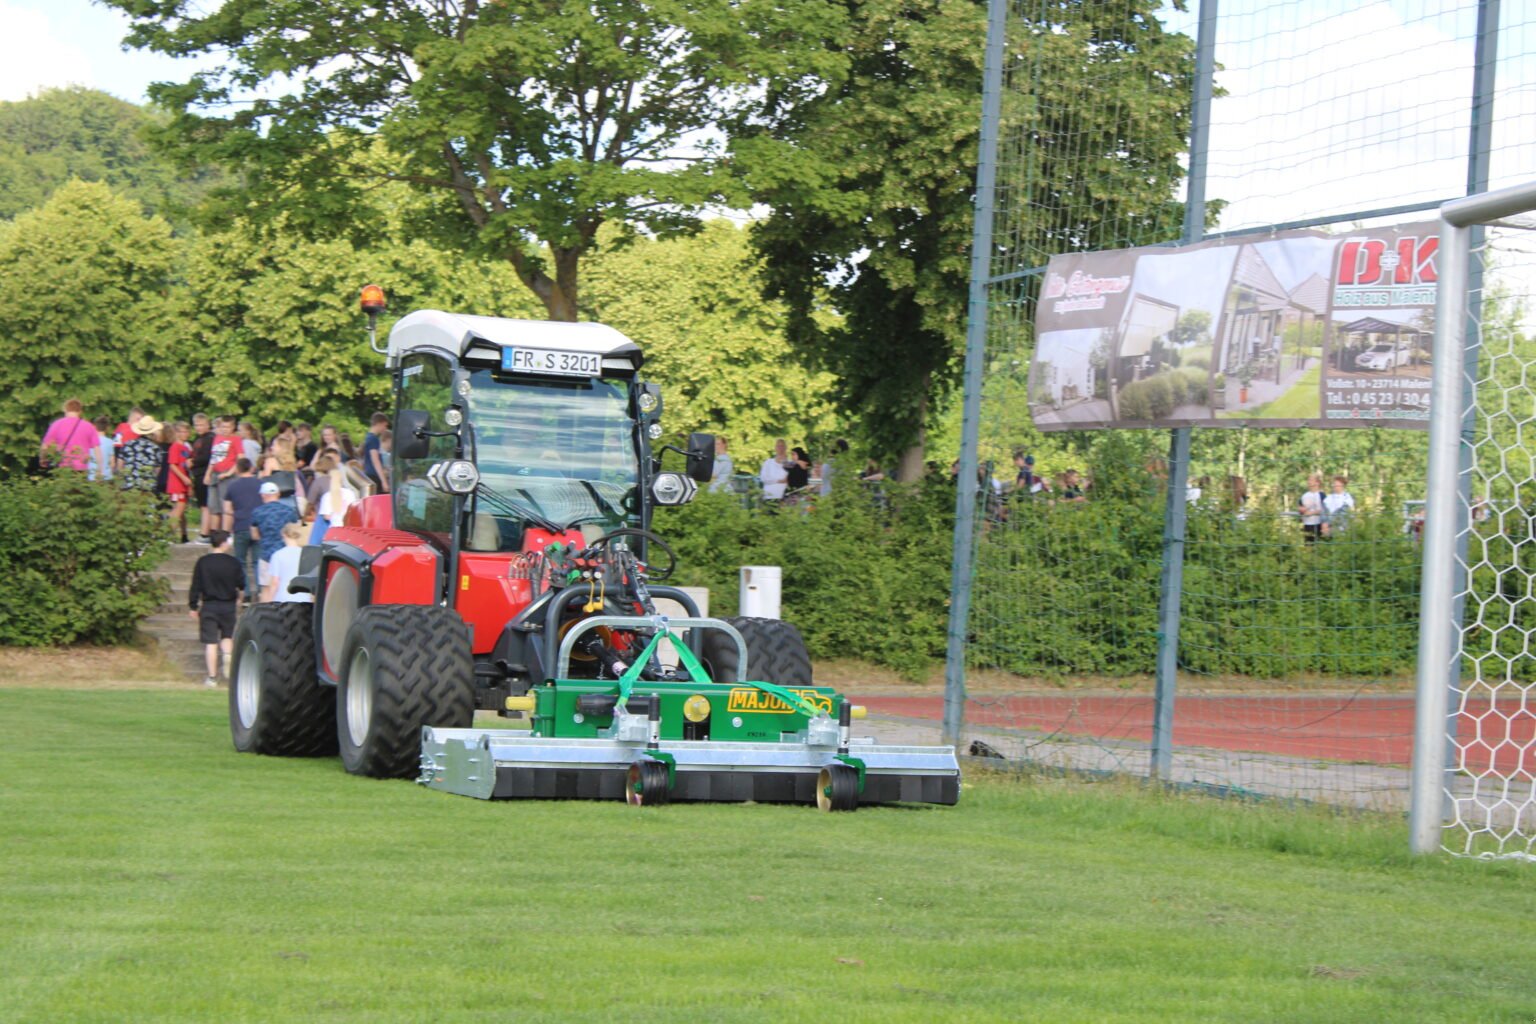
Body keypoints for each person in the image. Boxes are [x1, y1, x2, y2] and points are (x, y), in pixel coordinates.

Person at [188, 529, 244, 687]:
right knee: (227, 637)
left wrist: (193, 606)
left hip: (209, 605)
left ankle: (212, 677)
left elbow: (196, 585)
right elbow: (241, 584)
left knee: (211, 642)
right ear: (224, 543)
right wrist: (239, 599)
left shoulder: (203, 562)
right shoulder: (233, 562)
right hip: (228, 605)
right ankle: (227, 656)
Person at [250, 481, 299, 599]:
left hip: (266, 554)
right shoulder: (290, 511)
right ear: (278, 494)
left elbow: (254, 536)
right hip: (287, 554)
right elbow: (296, 531)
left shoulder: (257, 512)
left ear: (263, 495)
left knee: (266, 589)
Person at [223, 459, 265, 586]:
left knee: (241, 562)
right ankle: (260, 590)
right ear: (251, 468)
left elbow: (227, 509)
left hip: (240, 525)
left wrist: (236, 515)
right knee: (258, 562)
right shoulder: (261, 484)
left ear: (237, 469)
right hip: (258, 527)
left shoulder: (232, 486)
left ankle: (245, 591)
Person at [37, 398, 104, 475]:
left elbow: (45, 446)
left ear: (65, 409)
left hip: (63, 466)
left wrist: (42, 459)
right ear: (80, 411)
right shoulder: (89, 426)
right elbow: (97, 450)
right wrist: (99, 470)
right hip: (82, 468)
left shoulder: (56, 424)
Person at [204, 416, 241, 533]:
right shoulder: (217, 438)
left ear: (233, 427)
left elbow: (240, 458)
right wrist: (208, 473)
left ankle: (226, 533)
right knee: (213, 506)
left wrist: (229, 473)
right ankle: (214, 533)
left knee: (226, 505)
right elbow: (214, 458)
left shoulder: (236, 439)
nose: (225, 429)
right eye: (223, 427)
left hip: (227, 474)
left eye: (227, 427)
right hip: (215, 473)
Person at [262, 521, 313, 604]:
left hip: (283, 597)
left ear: (284, 535)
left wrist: (270, 599)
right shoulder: (306, 554)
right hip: (303, 598)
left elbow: (275, 582)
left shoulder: (277, 555)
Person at [312, 465, 359, 544]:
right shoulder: (350, 493)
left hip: (334, 532)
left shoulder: (327, 496)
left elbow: (327, 517)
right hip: (349, 531)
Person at [118, 415, 165, 493]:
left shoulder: (128, 444)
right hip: (146, 488)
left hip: (128, 486)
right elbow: (157, 471)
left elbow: (119, 465)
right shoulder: (156, 449)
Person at [165, 421, 194, 542]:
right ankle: (169, 534)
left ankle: (184, 535)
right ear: (176, 433)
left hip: (184, 483)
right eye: (181, 432)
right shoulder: (175, 447)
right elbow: (172, 465)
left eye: (186, 431)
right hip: (177, 483)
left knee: (182, 511)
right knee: (179, 508)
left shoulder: (186, 448)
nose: (184, 434)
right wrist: (183, 478)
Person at [188, 413, 215, 542]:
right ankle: (205, 531)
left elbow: (207, 457)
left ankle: (205, 533)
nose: (199, 427)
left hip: (204, 473)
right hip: (198, 473)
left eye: (201, 425)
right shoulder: (198, 439)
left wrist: (193, 461)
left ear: (208, 425)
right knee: (202, 504)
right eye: (196, 425)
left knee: (205, 505)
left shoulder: (209, 438)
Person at [362, 411, 390, 493]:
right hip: (374, 476)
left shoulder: (368, 437)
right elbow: (375, 460)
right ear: (379, 423)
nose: (385, 428)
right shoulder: (374, 439)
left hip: (369, 474)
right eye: (385, 425)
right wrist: (384, 481)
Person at [112, 405, 143, 475]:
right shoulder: (121, 428)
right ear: (131, 417)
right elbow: (116, 447)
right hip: (122, 463)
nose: (140, 422)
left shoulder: (139, 432)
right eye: (138, 419)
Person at [1299, 473, 1327, 542]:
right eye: (1308, 480)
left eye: (1311, 480)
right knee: (1308, 546)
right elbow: (1300, 507)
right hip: (1307, 525)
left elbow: (1325, 510)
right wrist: (1301, 510)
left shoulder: (1322, 495)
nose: (1308, 482)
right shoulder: (1304, 496)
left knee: (1319, 545)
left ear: (1317, 483)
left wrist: (1311, 513)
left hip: (1319, 525)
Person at [87, 416, 115, 482]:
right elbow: (112, 463)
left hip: (92, 476)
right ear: (107, 428)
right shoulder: (110, 442)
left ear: (94, 426)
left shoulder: (89, 441)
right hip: (106, 476)